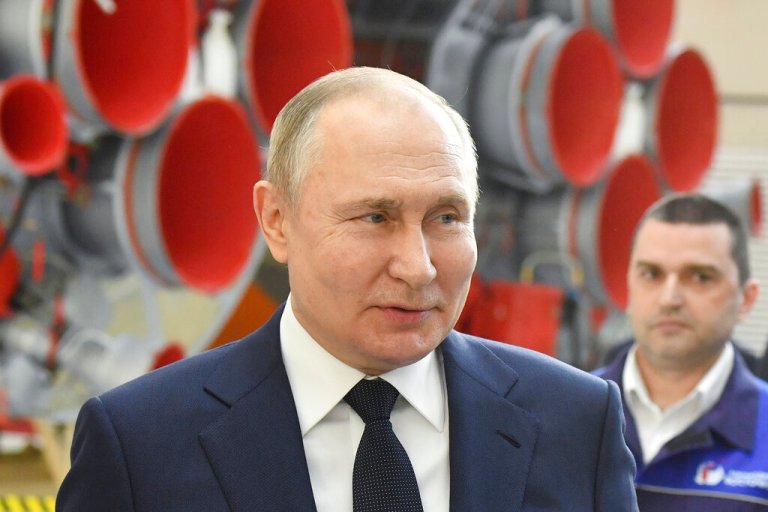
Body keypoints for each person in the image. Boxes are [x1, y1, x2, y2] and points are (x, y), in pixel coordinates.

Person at [57, 66, 638, 511]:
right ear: (277, 219)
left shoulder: (576, 425)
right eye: (374, 217)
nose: (418, 267)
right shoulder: (140, 445)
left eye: (446, 218)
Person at [594, 193, 768, 510]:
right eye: (651, 274)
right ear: (628, 285)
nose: (669, 298)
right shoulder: (564, 412)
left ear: (746, 299)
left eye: (700, 277)